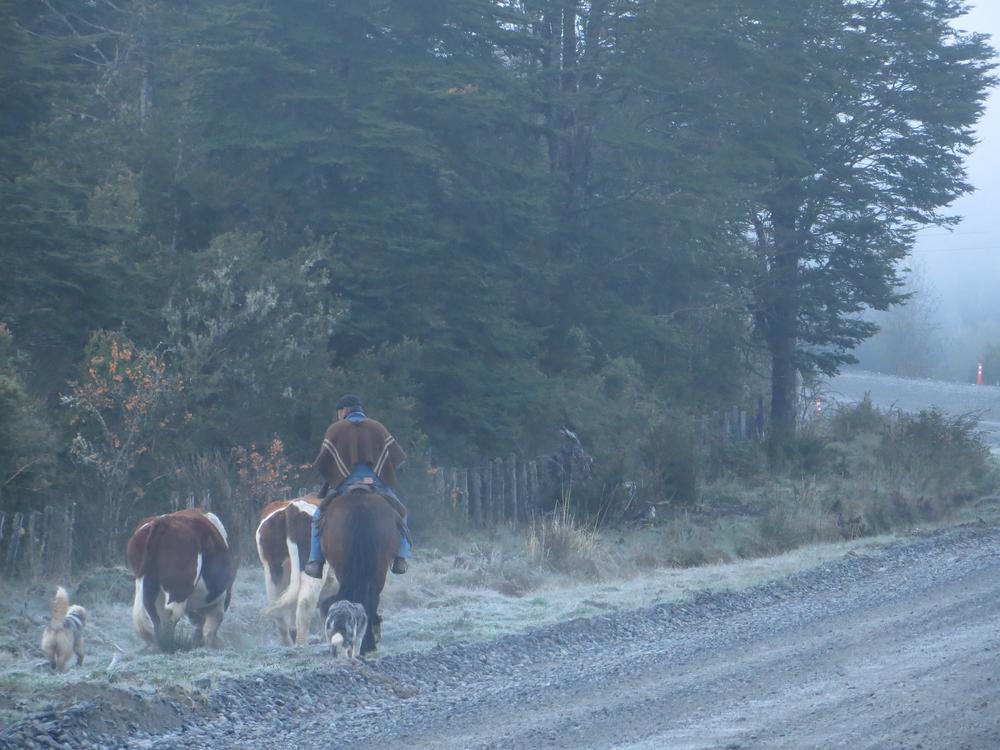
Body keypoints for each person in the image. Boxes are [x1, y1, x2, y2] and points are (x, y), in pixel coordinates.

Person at [303, 395, 412, 578]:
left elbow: (323, 462)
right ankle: (401, 557)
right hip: (377, 485)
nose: (339, 416)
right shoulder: (377, 427)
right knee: (402, 513)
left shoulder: (336, 429)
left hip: (345, 486)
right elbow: (397, 458)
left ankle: (316, 561)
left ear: (345, 410)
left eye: (339, 412)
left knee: (317, 517)